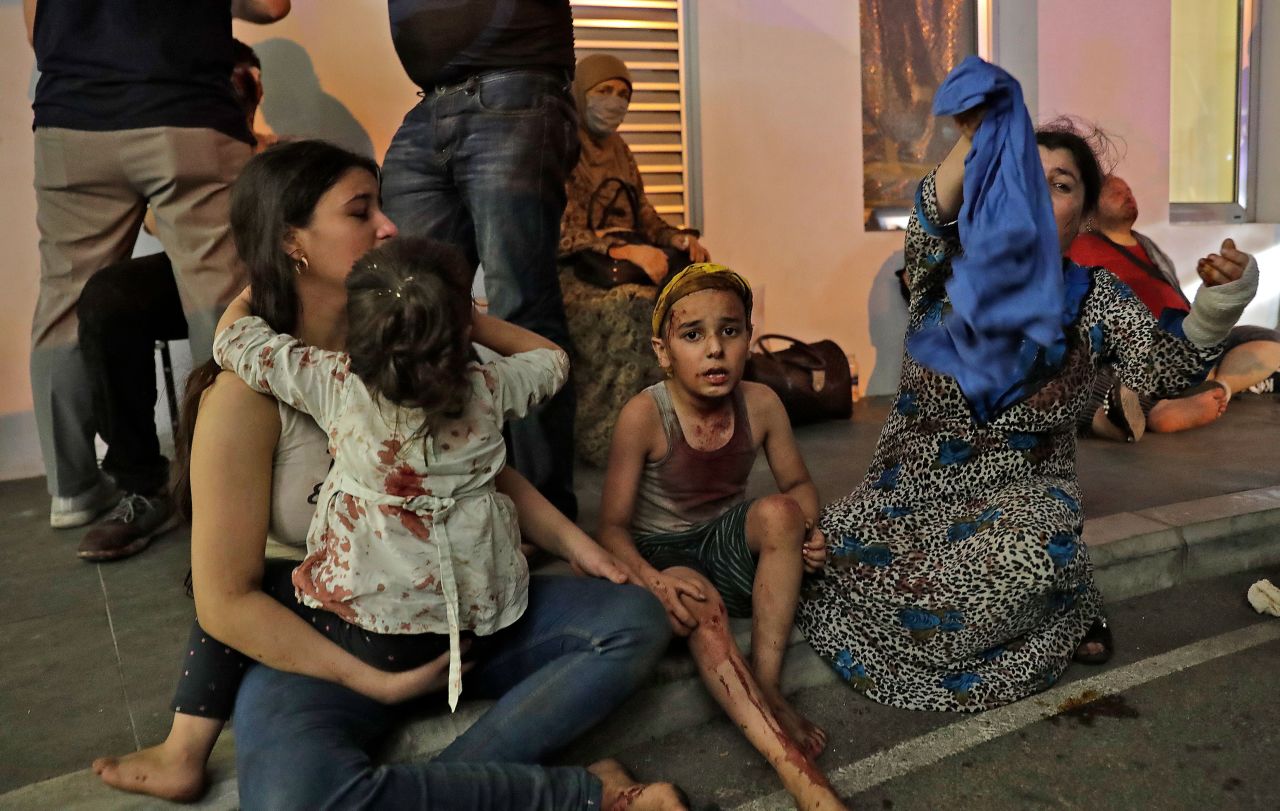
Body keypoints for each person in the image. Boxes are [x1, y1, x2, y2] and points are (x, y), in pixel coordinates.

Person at [91, 141, 681, 811]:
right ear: (293, 241)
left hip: (468, 613)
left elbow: (471, 473)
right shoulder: (255, 393)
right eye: (360, 210)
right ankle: (575, 794)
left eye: (383, 207)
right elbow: (224, 601)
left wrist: (581, 546)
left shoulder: (416, 355)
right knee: (291, 800)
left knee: (633, 619)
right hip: (328, 641)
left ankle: (449, 787)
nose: (389, 227)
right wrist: (371, 682)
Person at [796, 58, 1259, 713]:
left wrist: (1222, 300)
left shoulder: (1096, 297)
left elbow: (1165, 368)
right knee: (824, 560)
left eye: (1061, 185)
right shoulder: (944, 268)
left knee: (1031, 559)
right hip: (908, 500)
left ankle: (1058, 598)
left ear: (1082, 215)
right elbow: (930, 209)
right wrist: (979, 134)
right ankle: (1064, 604)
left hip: (1022, 504)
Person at [25, 0, 290, 530]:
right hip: (185, 110)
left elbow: (39, 27)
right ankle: (228, 483)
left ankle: (72, 489)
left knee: (64, 303)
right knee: (218, 300)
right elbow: (272, 5)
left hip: (73, 115)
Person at [597, 264, 843, 811]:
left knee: (781, 511)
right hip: (667, 558)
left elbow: (799, 484)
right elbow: (611, 528)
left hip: (727, 548)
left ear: (749, 338)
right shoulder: (644, 415)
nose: (715, 350)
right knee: (697, 598)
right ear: (663, 351)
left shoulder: (760, 404)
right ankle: (772, 734)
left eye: (730, 331)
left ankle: (769, 683)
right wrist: (651, 581)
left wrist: (809, 531)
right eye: (693, 335)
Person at [75, 39, 275, 562]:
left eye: (240, 87)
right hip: (200, 267)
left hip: (273, 278)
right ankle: (141, 485)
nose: (231, 98)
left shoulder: (278, 152)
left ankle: (247, 469)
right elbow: (160, 223)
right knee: (109, 295)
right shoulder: (168, 156)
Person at [380, 0, 580, 520]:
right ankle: (439, 488)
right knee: (411, 307)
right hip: (429, 105)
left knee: (520, 306)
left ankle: (543, 512)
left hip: (516, 86)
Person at [1068, 175, 1280, 441]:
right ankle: (1163, 404)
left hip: (1183, 338)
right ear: (1090, 205)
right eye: (1114, 192)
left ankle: (1219, 387)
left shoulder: (1147, 245)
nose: (1127, 195)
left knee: (1267, 340)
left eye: (1128, 189)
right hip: (1141, 348)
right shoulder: (1080, 247)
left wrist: (1214, 294)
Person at [559, 54, 710, 286]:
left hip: (621, 269)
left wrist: (678, 239)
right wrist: (623, 251)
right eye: (604, 90)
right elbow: (560, 235)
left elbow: (644, 216)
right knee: (642, 307)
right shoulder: (559, 149)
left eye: (623, 95)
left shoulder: (620, 149)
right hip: (576, 273)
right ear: (580, 92)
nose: (614, 102)